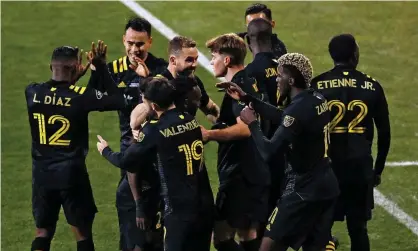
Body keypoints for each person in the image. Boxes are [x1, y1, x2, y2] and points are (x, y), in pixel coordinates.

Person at [218, 52, 340, 251]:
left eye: (279, 75)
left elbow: (268, 152)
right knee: (316, 246)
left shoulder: (297, 110)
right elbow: (285, 117)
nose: (276, 79)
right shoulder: (317, 98)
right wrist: (248, 98)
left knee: (268, 247)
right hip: (327, 186)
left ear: (290, 80)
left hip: (303, 190)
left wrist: (252, 124)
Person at [26, 42, 125, 251]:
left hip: (42, 175)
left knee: (43, 232)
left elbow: (55, 93)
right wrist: (101, 66)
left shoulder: (32, 92)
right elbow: (118, 100)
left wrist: (71, 78)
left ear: (51, 66)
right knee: (82, 234)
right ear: (76, 66)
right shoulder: (80, 97)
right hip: (72, 175)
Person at [87, 17, 167, 251]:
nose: (135, 49)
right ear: (123, 40)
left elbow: (165, 101)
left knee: (157, 234)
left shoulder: (160, 69)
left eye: (140, 44)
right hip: (130, 154)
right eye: (130, 43)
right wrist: (97, 70)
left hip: (159, 157)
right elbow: (94, 98)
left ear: (150, 42)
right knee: (131, 234)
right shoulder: (114, 69)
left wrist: (146, 78)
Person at [310, 34, 391, 251]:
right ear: (355, 54)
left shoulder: (317, 85)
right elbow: (385, 133)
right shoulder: (372, 86)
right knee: (358, 229)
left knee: (323, 227)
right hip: (359, 166)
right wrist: (378, 169)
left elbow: (306, 128)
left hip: (327, 168)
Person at [120, 77, 214, 251]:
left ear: (153, 106)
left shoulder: (154, 130)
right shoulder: (190, 121)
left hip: (175, 206)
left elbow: (127, 162)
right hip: (197, 201)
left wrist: (105, 151)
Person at [201, 33, 269, 251]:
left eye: (214, 56)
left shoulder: (239, 86)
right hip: (251, 171)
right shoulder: (247, 81)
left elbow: (244, 128)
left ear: (227, 60)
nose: (211, 61)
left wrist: (209, 135)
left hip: (242, 175)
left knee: (226, 237)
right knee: (244, 234)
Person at [244, 18, 286, 220]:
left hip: (264, 150)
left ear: (247, 40)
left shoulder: (250, 72)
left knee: (264, 217)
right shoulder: (286, 69)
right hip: (288, 148)